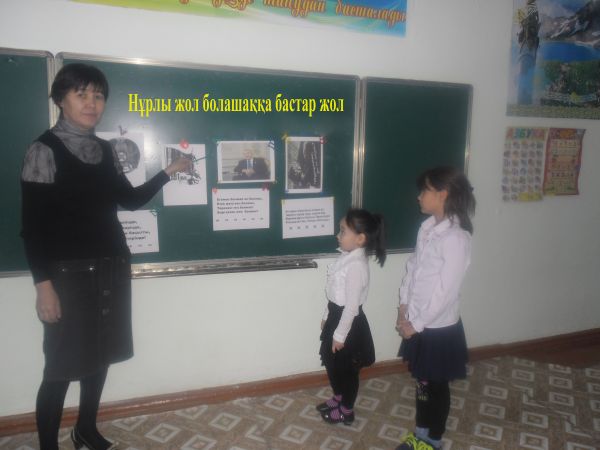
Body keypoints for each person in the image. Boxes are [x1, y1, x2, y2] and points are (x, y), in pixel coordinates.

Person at [20, 63, 190, 450]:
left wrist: (168, 171)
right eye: (81, 94)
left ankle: (86, 430)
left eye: (98, 95)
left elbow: (129, 200)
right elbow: (32, 228)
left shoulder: (106, 150)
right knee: (60, 367)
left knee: (100, 357)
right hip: (67, 276)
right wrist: (44, 286)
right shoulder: (43, 150)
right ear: (60, 99)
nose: (91, 103)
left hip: (111, 267)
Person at [395, 167, 475, 450]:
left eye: (424, 191)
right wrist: (403, 305)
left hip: (437, 327)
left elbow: (445, 292)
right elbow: (414, 268)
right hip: (417, 320)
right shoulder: (427, 228)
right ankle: (421, 432)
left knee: (436, 385)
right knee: (423, 382)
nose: (419, 196)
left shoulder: (456, 238)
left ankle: (434, 439)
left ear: (443, 194)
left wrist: (416, 324)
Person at [317, 209, 386, 425]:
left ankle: (346, 409)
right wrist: (326, 315)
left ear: (360, 238)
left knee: (346, 370)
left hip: (348, 324)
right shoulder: (346, 257)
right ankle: (339, 397)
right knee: (331, 362)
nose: (338, 235)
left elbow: (351, 306)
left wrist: (340, 336)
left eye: (343, 231)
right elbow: (334, 294)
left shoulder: (356, 266)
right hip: (336, 317)